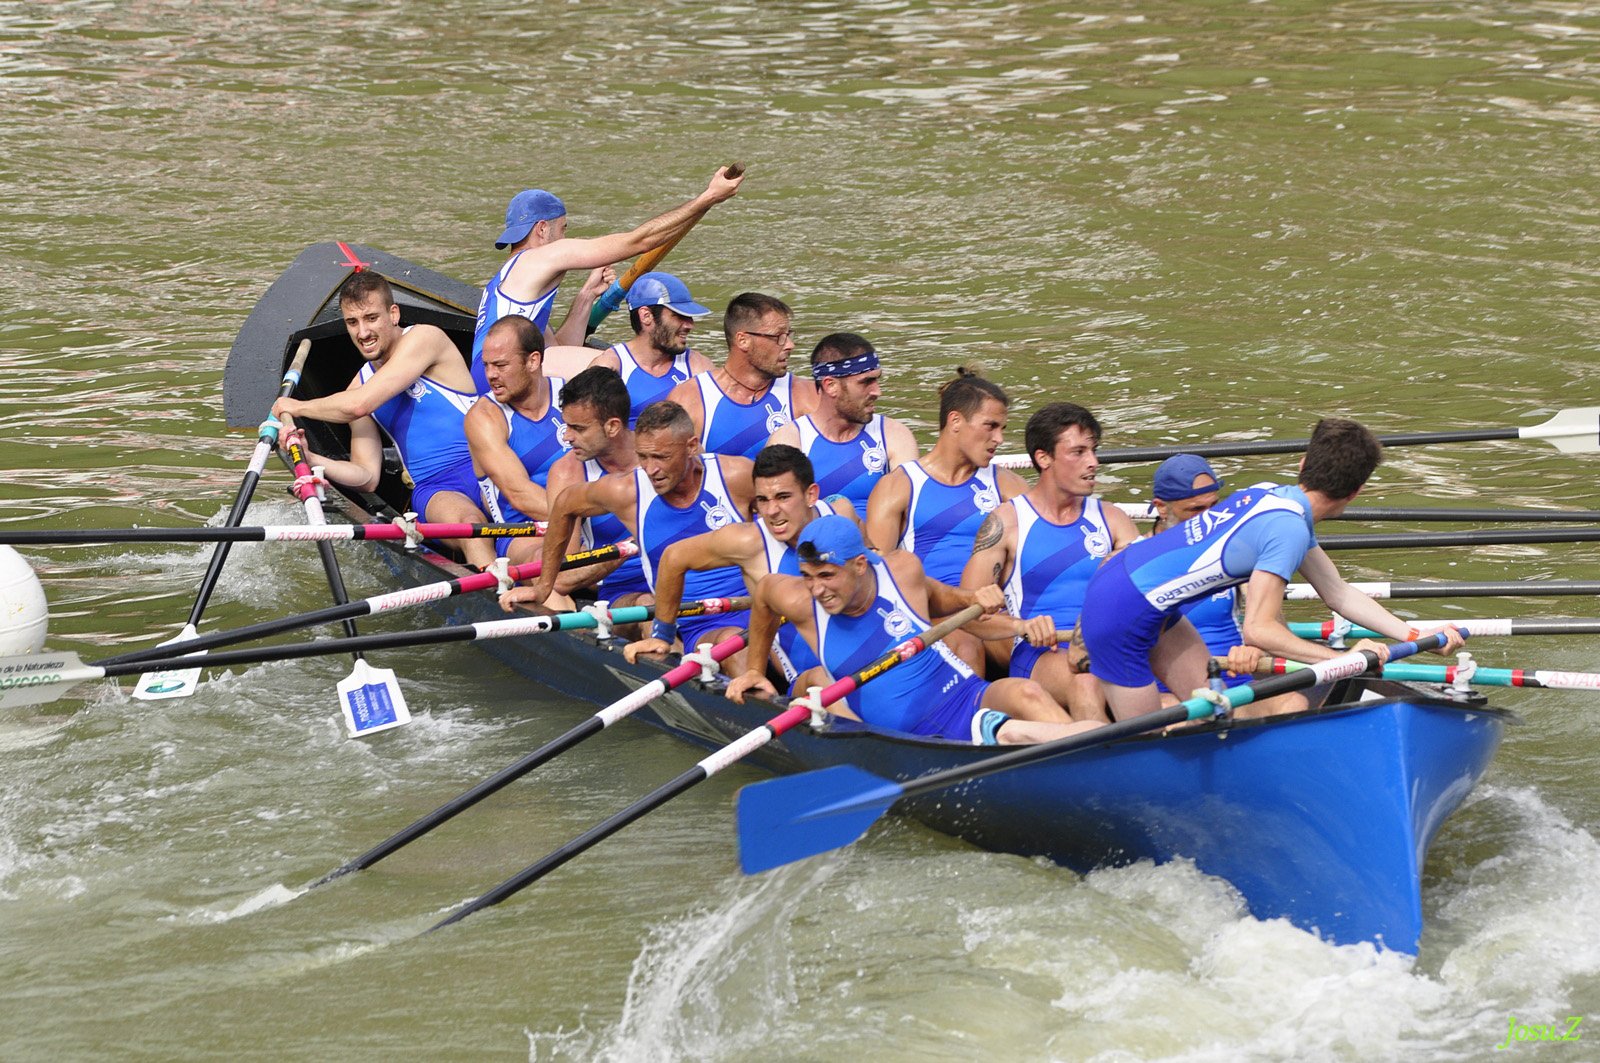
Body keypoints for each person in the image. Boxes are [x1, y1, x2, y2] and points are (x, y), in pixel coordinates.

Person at [1079, 419, 1466, 720]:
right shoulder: (1289, 528)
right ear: (1356, 492)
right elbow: (1259, 629)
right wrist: (1341, 661)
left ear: (1303, 465)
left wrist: (1416, 632)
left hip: (1137, 593)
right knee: (1151, 746)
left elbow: (1338, 592)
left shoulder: (1275, 495)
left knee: (1232, 715)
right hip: (1116, 613)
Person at [725, 517, 1102, 745]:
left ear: (860, 565)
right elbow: (762, 604)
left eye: (827, 575)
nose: (817, 589)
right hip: (910, 737)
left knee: (1027, 691)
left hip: (967, 697)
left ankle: (1096, 766)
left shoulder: (902, 569)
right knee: (1011, 734)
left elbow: (945, 603)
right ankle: (1096, 753)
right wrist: (756, 668)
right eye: (807, 577)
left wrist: (977, 598)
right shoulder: (794, 598)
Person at [504, 401, 756, 674]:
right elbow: (565, 504)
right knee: (738, 648)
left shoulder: (738, 475)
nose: (650, 470)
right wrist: (544, 586)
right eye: (643, 457)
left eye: (661, 457)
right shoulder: (628, 492)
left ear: (692, 446)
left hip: (761, 605)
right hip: (702, 622)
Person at [272, 270, 494, 570]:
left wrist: (296, 407)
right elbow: (366, 476)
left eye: (371, 318)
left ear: (393, 313)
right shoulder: (358, 387)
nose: (362, 332)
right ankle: (499, 595)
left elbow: (359, 405)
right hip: (438, 489)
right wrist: (311, 458)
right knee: (472, 527)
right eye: (353, 322)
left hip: (489, 462)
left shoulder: (426, 338)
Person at [472, 166, 745, 392]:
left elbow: (560, 350)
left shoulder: (509, 284)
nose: (564, 238)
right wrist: (707, 198)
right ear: (542, 229)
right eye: (563, 229)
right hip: (503, 375)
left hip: (489, 374)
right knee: (620, 364)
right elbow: (640, 241)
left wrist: (586, 296)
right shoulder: (539, 258)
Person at [622, 445, 855, 693]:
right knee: (823, 678)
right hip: (810, 680)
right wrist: (663, 635)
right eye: (763, 500)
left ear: (811, 495)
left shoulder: (842, 514)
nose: (772, 512)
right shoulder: (747, 542)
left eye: (783, 497)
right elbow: (672, 558)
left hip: (865, 655)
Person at [961, 403, 1137, 723]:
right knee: (1085, 681)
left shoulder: (1114, 520)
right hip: (1042, 652)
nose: (1093, 463)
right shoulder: (1007, 523)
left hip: (1108, 644)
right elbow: (968, 615)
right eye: (1078, 452)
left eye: (1094, 451)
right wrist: (1020, 627)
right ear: (1044, 458)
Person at [865, 371, 1027, 674]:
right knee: (966, 644)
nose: (1000, 439)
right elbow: (879, 579)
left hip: (993, 611)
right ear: (955, 422)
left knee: (1037, 646)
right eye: (990, 426)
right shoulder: (898, 486)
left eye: (1003, 428)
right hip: (933, 614)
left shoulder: (1009, 486)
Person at [1145, 454, 1310, 719]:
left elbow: (1274, 631)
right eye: (1196, 510)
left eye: (1214, 507)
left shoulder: (1235, 557)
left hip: (1236, 688)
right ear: (1161, 508)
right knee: (1177, 717)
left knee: (1292, 703)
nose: (1208, 519)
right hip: (1169, 696)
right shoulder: (1132, 561)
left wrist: (1255, 650)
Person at [766, 332, 918, 511]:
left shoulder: (895, 435)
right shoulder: (789, 441)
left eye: (877, 380)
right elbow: (778, 515)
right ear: (831, 386)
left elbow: (910, 515)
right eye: (866, 382)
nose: (877, 392)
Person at [538, 366, 650, 607]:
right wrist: (634, 544)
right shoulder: (567, 474)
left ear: (612, 426)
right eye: (567, 426)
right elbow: (563, 577)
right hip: (625, 591)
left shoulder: (661, 453)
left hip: (685, 578)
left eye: (578, 428)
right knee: (649, 605)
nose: (567, 437)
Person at [464, 316, 568, 565]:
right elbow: (520, 495)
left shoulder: (569, 393)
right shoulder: (484, 417)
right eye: (487, 365)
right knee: (546, 563)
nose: (490, 375)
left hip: (580, 519)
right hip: (523, 532)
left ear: (533, 361)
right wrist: (590, 512)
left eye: (500, 365)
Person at [666, 292, 818, 459]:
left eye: (789, 335)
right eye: (779, 336)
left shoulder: (807, 396)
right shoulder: (688, 400)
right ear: (743, 340)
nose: (790, 345)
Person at [586, 272, 716, 427]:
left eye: (689, 317)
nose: (689, 325)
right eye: (679, 315)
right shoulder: (610, 366)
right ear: (646, 316)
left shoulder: (698, 367)